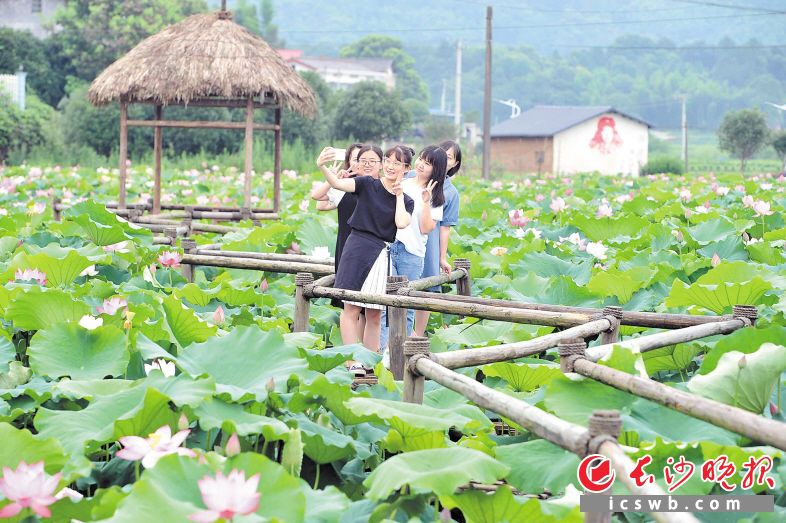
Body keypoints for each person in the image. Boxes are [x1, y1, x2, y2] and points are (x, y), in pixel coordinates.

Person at [316, 145, 414, 373]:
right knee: (350, 307)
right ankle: (352, 362)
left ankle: (370, 363)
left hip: (382, 253)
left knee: (374, 313)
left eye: (397, 163)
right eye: (388, 160)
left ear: (406, 169)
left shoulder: (407, 201)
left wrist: (398, 195)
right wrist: (321, 166)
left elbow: (401, 223)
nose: (391, 166)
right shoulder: (367, 184)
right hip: (357, 246)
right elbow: (339, 184)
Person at [380, 145, 447, 349]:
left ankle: (400, 353)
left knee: (406, 306)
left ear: (436, 170)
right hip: (389, 247)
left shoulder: (436, 196)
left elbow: (426, 229)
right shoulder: (402, 183)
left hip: (412, 253)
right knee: (385, 304)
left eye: (428, 164)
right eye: (421, 160)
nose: (421, 165)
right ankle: (384, 353)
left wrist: (426, 201)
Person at [413, 140, 461, 337]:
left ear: (454, 164)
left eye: (448, 157)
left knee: (425, 286)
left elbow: (445, 229)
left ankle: (417, 334)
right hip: (404, 236)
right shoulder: (410, 178)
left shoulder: (451, 192)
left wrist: (441, 257)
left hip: (430, 240)